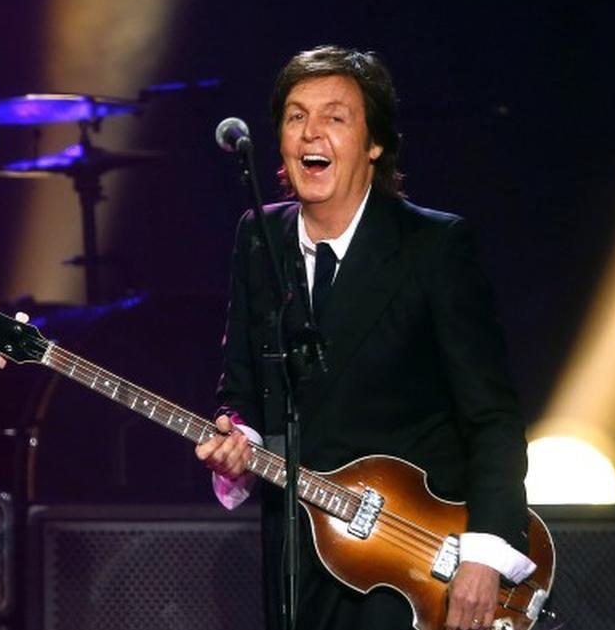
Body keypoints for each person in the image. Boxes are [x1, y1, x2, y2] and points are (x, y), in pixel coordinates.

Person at [195, 45, 533, 630]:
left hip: (414, 560)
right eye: (296, 116)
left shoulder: (434, 246)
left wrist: (486, 552)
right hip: (298, 555)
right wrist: (238, 439)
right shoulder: (259, 237)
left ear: (374, 143)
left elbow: (492, 417)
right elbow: (243, 389)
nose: (311, 133)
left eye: (335, 117)